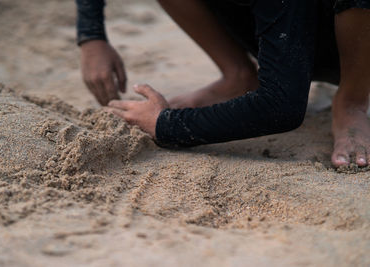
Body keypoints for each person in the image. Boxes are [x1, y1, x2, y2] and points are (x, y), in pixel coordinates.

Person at [76, 0, 370, 167]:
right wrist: (92, 37)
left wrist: (165, 125)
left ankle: (352, 100)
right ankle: (237, 74)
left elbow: (282, 106)